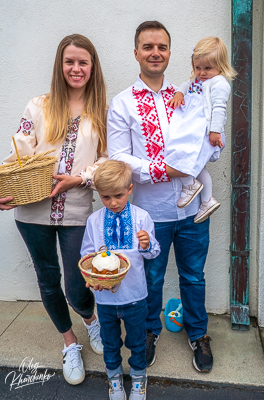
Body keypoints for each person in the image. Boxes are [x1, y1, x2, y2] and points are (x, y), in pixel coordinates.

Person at [107, 20, 216, 373]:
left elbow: (210, 141)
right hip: (148, 213)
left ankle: (198, 333)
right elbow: (119, 157)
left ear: (170, 52)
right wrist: (165, 170)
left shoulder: (191, 94)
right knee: (150, 278)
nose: (156, 52)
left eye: (162, 47)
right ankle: (150, 332)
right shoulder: (122, 103)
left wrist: (208, 148)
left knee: (194, 276)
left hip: (194, 208)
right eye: (148, 46)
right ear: (136, 52)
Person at [0, 34, 107, 385]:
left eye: (83, 62)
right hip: (32, 212)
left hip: (77, 210)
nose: (76, 68)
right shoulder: (38, 106)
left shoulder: (102, 111)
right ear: (60, 65)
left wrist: (80, 179)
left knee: (78, 285)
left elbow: (107, 161)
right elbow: (19, 153)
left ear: (92, 68)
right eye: (69, 61)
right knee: (48, 281)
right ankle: (69, 342)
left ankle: (91, 321)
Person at [81, 160, 160, 400]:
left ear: (130, 189)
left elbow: (153, 252)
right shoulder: (94, 221)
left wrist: (147, 244)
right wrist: (90, 277)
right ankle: (114, 379)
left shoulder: (142, 217)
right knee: (110, 342)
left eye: (118, 195)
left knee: (137, 342)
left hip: (135, 296)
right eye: (105, 197)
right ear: (98, 194)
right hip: (105, 299)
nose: (113, 202)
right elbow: (87, 255)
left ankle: (138, 379)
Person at [164, 37, 236, 223]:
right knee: (188, 158)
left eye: (207, 68)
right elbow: (186, 85)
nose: (202, 73)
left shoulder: (219, 83)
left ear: (220, 66)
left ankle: (191, 185)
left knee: (186, 158)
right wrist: (179, 93)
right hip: (191, 128)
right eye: (198, 67)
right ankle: (206, 200)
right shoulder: (197, 81)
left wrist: (215, 131)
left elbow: (219, 108)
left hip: (203, 131)